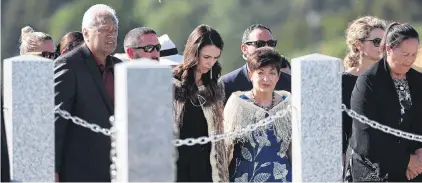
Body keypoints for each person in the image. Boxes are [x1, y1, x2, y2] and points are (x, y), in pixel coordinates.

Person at [345, 22, 422, 182]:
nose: (409, 60)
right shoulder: (368, 82)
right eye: (404, 54)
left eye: (414, 54)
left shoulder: (418, 80)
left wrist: (420, 155)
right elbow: (366, 134)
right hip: (376, 170)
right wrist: (406, 161)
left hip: (416, 168)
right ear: (388, 49)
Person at [54, 4, 121, 182]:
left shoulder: (120, 67)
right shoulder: (68, 65)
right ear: (86, 33)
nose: (111, 35)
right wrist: (52, 168)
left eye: (115, 30)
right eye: (105, 29)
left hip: (117, 171)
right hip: (80, 171)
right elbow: (56, 121)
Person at [224, 47, 292, 182]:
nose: (266, 79)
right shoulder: (238, 103)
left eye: (272, 73)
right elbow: (225, 149)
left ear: (278, 76)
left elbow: (293, 149)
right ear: (250, 74)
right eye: (260, 73)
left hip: (282, 177)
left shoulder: (288, 103)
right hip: (244, 177)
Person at [172, 24, 228, 182]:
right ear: (194, 52)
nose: (211, 63)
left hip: (205, 166)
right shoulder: (172, 84)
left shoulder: (215, 87)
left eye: (215, 58)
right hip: (177, 165)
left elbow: (218, 135)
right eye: (207, 57)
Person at [341, 16, 386, 164]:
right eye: (377, 42)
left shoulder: (393, 79)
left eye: (385, 41)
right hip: (357, 162)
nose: (383, 47)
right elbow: (341, 130)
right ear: (359, 45)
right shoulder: (342, 82)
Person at [220, 24, 291, 103]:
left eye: (271, 44)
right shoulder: (226, 85)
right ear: (244, 49)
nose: (267, 48)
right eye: (260, 44)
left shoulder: (290, 83)